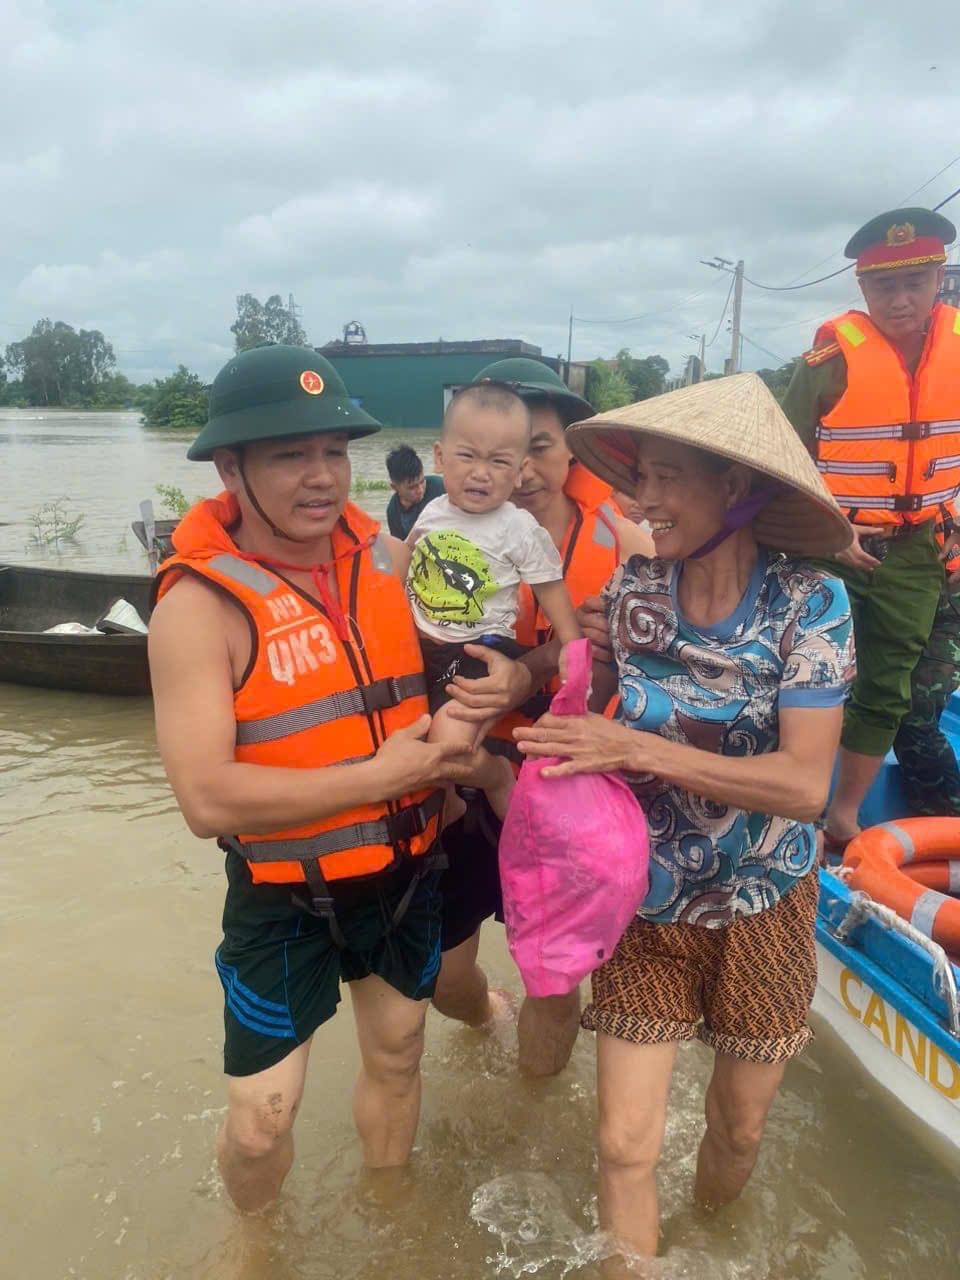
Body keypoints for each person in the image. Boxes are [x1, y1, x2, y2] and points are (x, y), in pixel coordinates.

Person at [147, 344, 519, 1212]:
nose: (321, 478)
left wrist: (512, 685)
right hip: (285, 899)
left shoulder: (391, 560)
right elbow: (206, 801)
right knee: (259, 1121)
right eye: (289, 455)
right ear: (230, 466)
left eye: (332, 452)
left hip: (403, 874)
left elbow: (468, 658)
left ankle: (390, 1225)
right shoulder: (198, 608)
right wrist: (382, 774)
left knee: (397, 1057)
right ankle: (253, 1252)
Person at [514, 373, 854, 1267]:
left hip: (765, 906)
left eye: (667, 479)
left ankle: (709, 1237)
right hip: (649, 902)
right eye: (641, 478)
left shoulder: (810, 606)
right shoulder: (635, 593)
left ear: (736, 488)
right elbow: (590, 693)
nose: (642, 499)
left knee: (737, 1133)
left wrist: (640, 751)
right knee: (625, 1144)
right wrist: (527, 705)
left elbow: (805, 787)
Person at [430, 358, 653, 1075]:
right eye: (493, 453)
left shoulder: (625, 547)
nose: (518, 470)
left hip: (565, 784)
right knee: (442, 976)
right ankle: (484, 1013)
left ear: (571, 452)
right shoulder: (441, 529)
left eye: (538, 447)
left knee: (555, 983)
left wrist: (582, 649)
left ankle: (530, 1111)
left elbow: (646, 677)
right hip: (468, 772)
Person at [781, 206, 960, 852]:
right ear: (862, 288)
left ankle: (844, 814)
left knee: (888, 684)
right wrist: (827, 530)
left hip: (917, 550)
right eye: (885, 286)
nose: (902, 299)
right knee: (809, 675)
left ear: (939, 277)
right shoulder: (831, 358)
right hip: (830, 544)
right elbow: (783, 454)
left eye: (916, 281)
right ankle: (789, 801)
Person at [401, 382, 580, 822]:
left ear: (519, 470)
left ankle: (518, 828)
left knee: (445, 745)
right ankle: (448, 811)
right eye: (468, 456)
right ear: (440, 458)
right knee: (411, 741)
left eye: (498, 462)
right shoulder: (432, 511)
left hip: (479, 654)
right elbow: (404, 564)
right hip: (423, 651)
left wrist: (573, 652)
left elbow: (551, 590)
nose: (481, 472)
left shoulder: (516, 528)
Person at [385, 444, 444, 539]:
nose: (420, 490)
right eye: (412, 487)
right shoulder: (393, 511)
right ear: (395, 487)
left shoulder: (440, 488)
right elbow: (402, 547)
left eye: (422, 482)